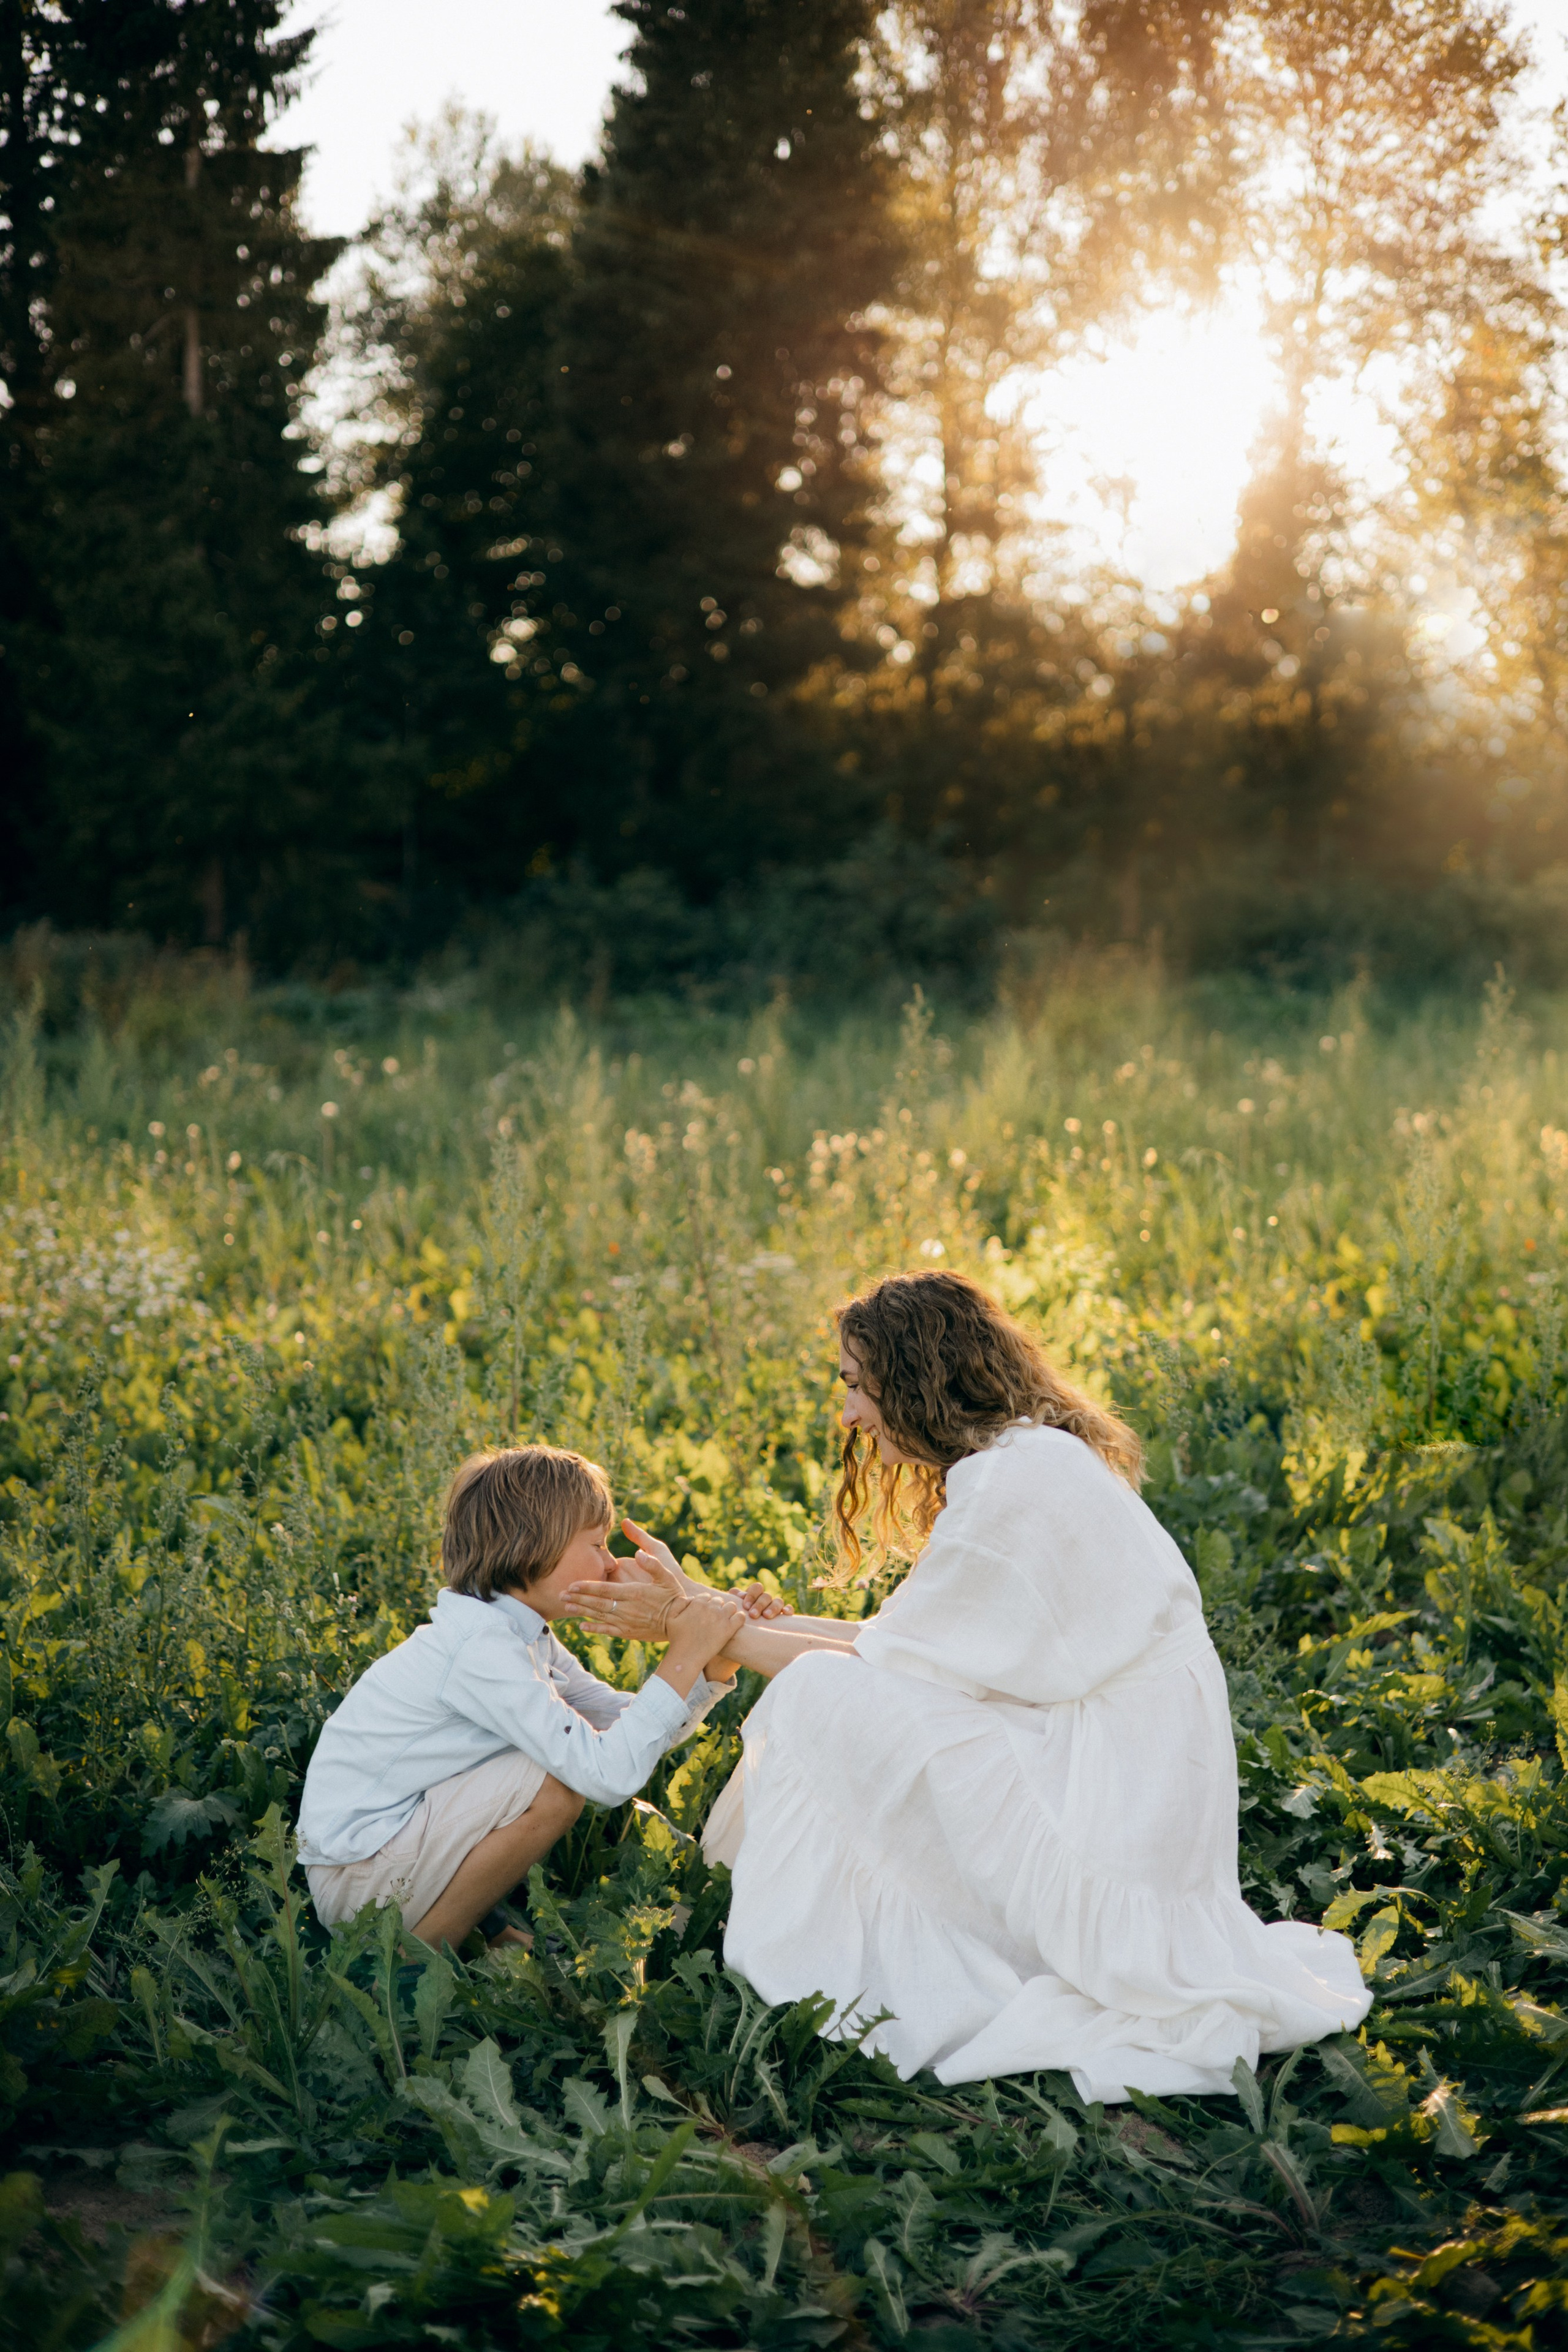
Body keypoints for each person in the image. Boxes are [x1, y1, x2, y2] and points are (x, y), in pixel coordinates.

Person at [564, 1271, 1372, 2106]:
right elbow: (898, 1650)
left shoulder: (1016, 1482)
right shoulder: (1023, 1463)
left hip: (1113, 1793)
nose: (847, 1413)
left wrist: (692, 1625)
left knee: (813, 1701)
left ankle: (838, 1973)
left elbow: (881, 1669)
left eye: (854, 1384)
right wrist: (710, 1614)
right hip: (1111, 1759)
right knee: (824, 1692)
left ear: (913, 1379)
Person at [296, 1444, 744, 1953]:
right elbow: (606, 1774)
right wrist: (681, 1656)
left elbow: (624, 1728)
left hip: (393, 1853)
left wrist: (711, 1667)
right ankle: (412, 1960)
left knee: (552, 1764)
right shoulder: (479, 1648)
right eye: (596, 1545)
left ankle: (483, 1932)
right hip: (359, 1882)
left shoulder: (520, 1633)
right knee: (552, 1786)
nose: (610, 1562)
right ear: (533, 1545)